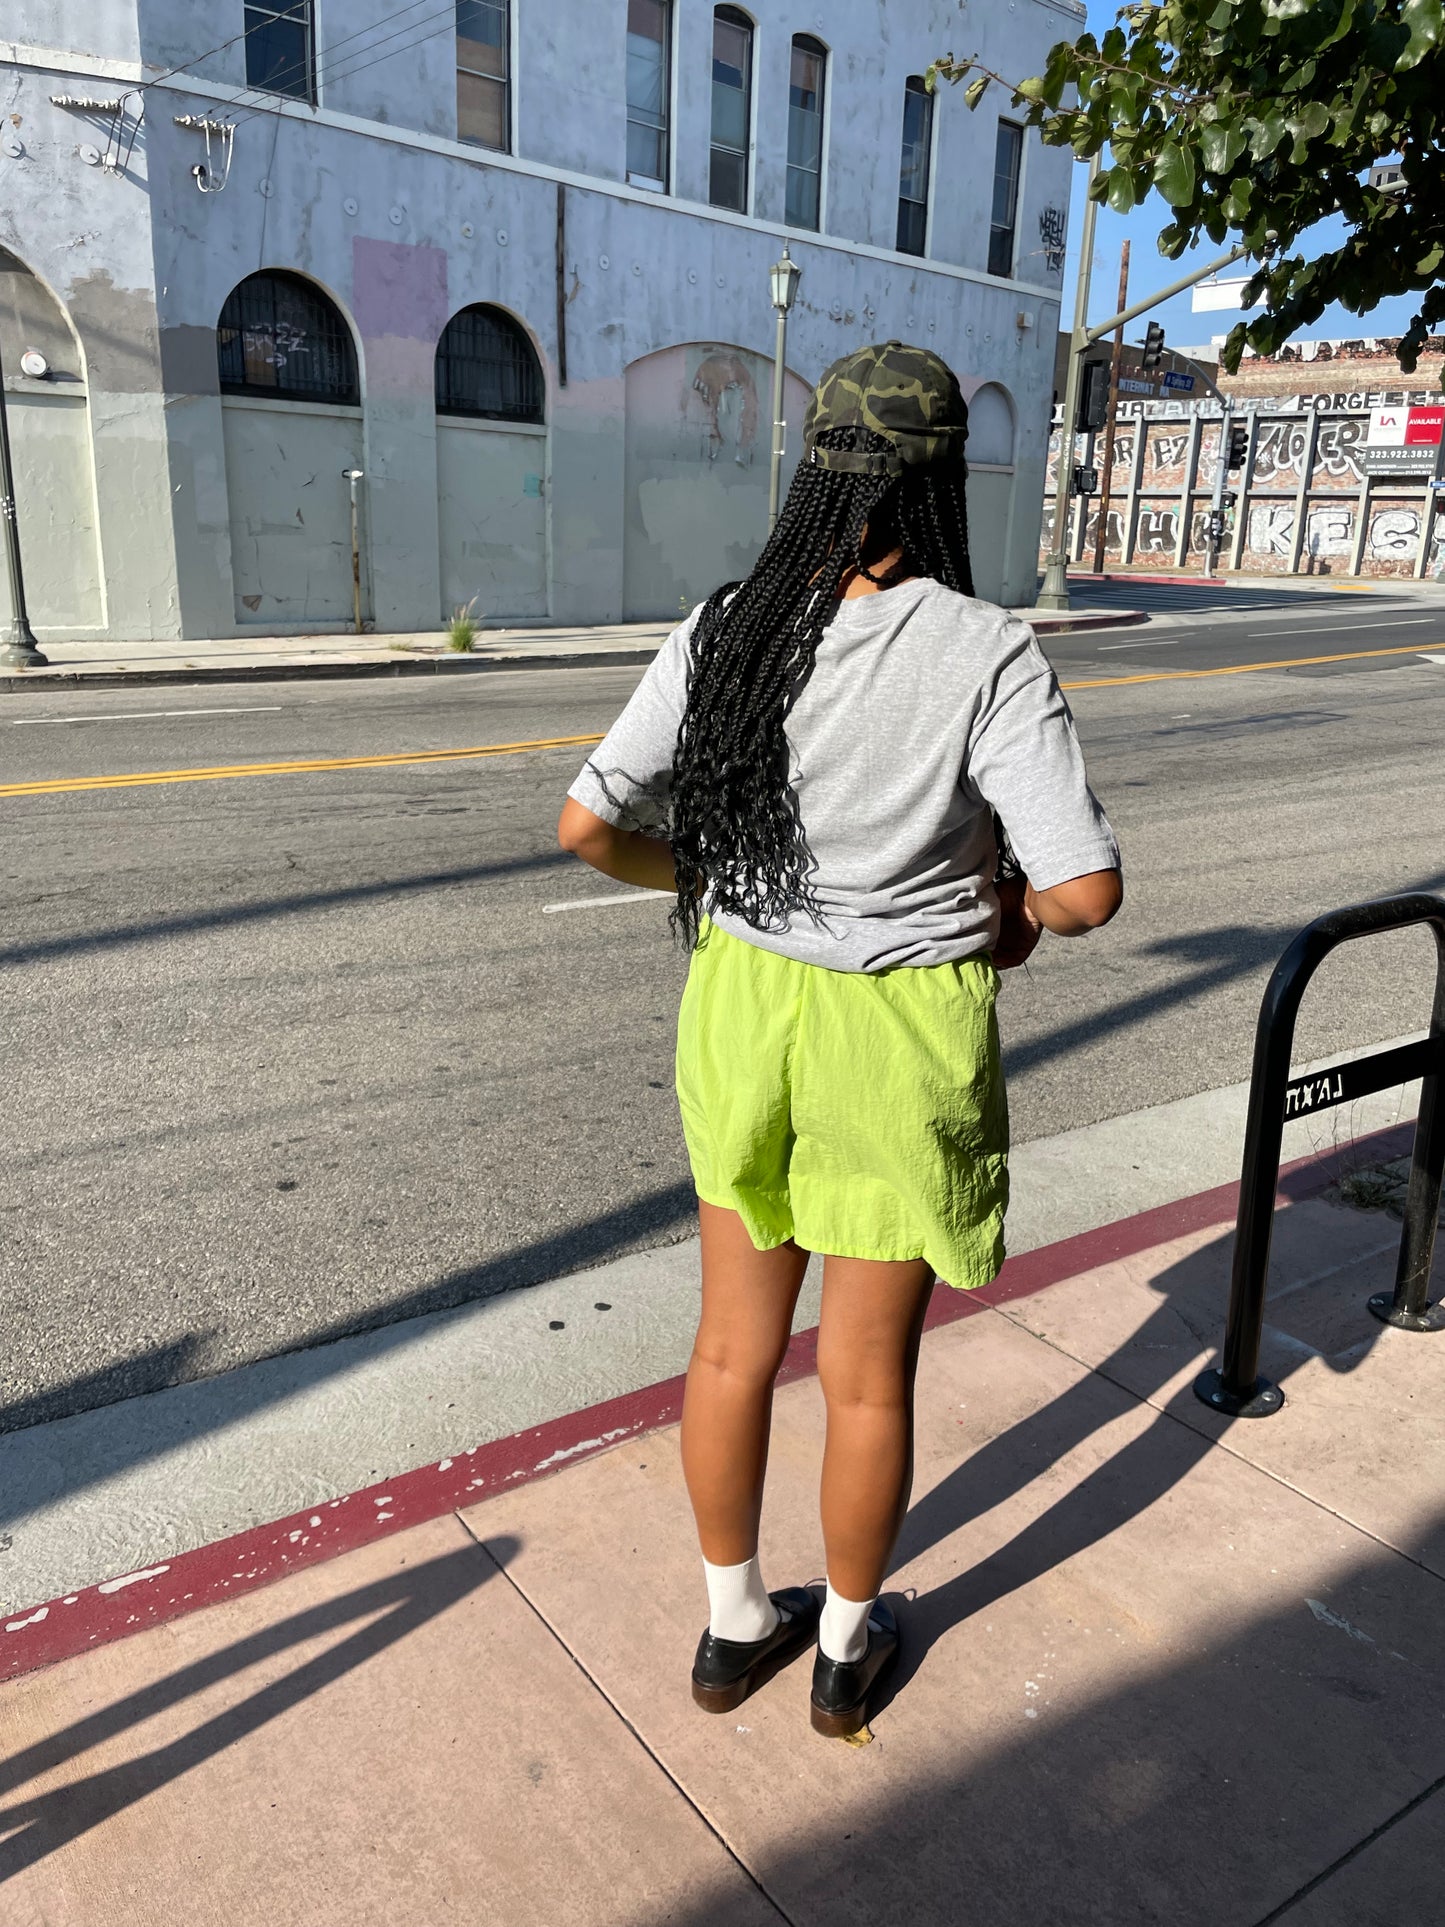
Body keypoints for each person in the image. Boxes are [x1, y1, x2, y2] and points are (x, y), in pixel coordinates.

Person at [558, 342, 1122, 1739]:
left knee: (726, 1352)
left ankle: (730, 1627)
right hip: (896, 1031)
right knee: (865, 1371)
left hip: (745, 1009)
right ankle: (844, 1654)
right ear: (940, 484)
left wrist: (709, 882)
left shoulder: (726, 627)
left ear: (811, 473)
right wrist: (1006, 916)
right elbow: (1081, 891)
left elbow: (585, 825)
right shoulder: (983, 649)